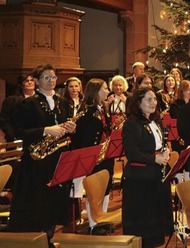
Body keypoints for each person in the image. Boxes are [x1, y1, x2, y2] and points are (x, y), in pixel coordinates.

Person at [8, 64, 76, 239]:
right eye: (46, 78)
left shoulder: (64, 102)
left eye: (53, 77)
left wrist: (71, 128)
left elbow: (67, 129)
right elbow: (19, 131)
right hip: (36, 162)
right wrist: (46, 130)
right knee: (39, 204)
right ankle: (40, 238)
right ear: (37, 81)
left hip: (58, 158)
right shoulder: (27, 104)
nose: (51, 81)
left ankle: (51, 235)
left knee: (55, 202)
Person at [121, 87, 173, 247]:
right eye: (149, 100)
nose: (153, 103)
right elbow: (132, 153)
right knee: (143, 221)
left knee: (156, 214)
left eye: (155, 99)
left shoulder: (156, 120)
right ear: (138, 103)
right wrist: (155, 158)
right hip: (139, 179)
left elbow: (159, 144)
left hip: (156, 174)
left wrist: (166, 151)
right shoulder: (131, 124)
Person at [71, 78, 114, 212]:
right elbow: (82, 138)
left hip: (106, 154)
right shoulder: (86, 111)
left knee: (106, 187)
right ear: (96, 91)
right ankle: (94, 223)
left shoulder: (104, 108)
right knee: (94, 190)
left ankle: (103, 218)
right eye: (105, 88)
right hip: (93, 156)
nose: (108, 91)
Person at [0, 74, 36, 142]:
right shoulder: (11, 100)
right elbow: (4, 120)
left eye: (32, 80)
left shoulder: (41, 99)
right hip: (17, 138)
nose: (30, 82)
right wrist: (12, 136)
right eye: (26, 81)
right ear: (20, 85)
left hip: (37, 138)